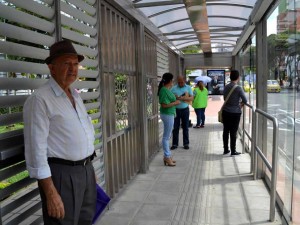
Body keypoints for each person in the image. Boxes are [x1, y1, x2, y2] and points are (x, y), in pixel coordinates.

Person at [23, 40, 97, 225]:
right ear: (52, 67)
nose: (73, 69)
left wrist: (89, 170)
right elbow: (36, 151)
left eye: (75, 64)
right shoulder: (40, 100)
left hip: (85, 170)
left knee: (85, 221)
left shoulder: (75, 95)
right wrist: (51, 193)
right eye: (66, 63)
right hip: (62, 176)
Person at [222, 70, 247, 156]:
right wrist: (240, 105)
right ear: (238, 77)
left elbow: (225, 98)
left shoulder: (226, 87)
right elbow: (245, 100)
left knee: (226, 131)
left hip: (225, 111)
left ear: (230, 77)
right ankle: (233, 150)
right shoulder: (238, 88)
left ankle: (225, 149)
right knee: (233, 131)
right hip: (235, 113)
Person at [158, 73, 180, 166]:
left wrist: (174, 98)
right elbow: (164, 105)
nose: (173, 82)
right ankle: (167, 157)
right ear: (170, 80)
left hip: (170, 114)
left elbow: (169, 99)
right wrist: (175, 103)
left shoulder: (166, 89)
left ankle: (168, 156)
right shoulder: (163, 90)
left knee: (168, 136)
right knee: (166, 137)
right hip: (167, 114)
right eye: (172, 80)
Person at [170, 76, 194, 150]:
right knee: (175, 127)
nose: (180, 84)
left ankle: (186, 143)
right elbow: (170, 98)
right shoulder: (173, 88)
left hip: (185, 110)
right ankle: (174, 144)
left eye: (182, 82)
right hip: (176, 109)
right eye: (179, 82)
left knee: (185, 127)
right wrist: (175, 97)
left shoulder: (188, 88)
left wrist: (183, 98)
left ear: (184, 81)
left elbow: (192, 98)